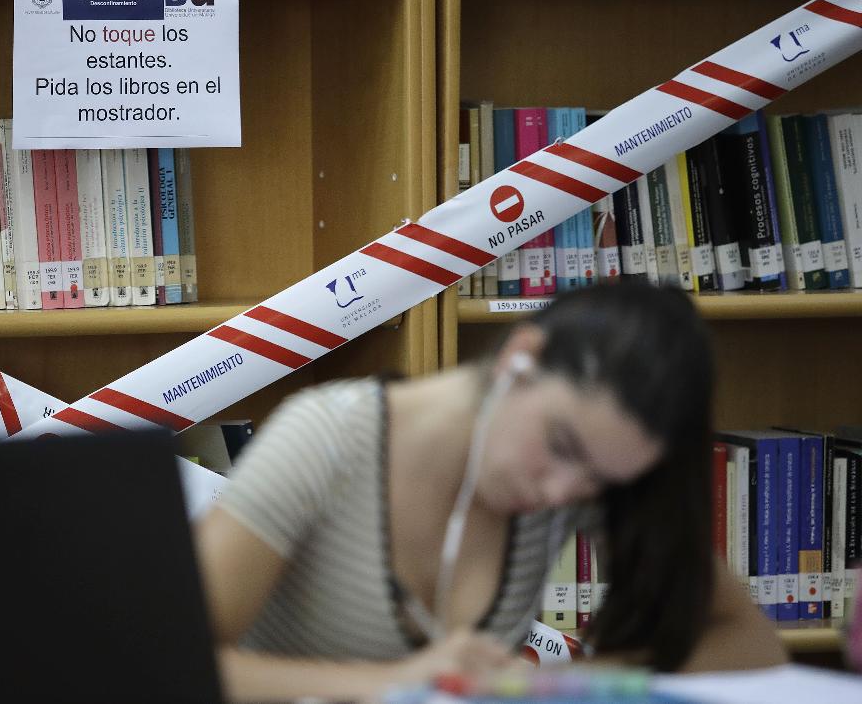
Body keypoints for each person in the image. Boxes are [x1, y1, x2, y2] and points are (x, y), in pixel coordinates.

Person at [195, 282, 786, 702]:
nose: (562, 493)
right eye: (561, 446)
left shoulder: (579, 477)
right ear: (519, 358)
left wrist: (558, 685)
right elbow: (170, 662)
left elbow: (750, 643)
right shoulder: (325, 436)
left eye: (602, 480)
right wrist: (390, 683)